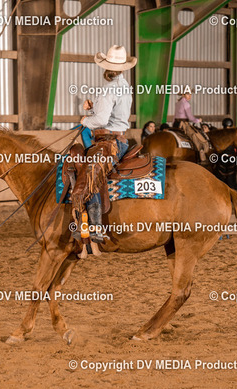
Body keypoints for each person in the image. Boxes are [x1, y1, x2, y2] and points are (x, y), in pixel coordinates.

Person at [79, 45, 136, 243]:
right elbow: (112, 113)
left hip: (109, 142)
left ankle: (96, 226)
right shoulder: (125, 86)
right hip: (120, 139)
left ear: (106, 67)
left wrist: (85, 120)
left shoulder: (109, 88)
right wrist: (93, 108)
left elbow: (102, 120)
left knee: (91, 174)